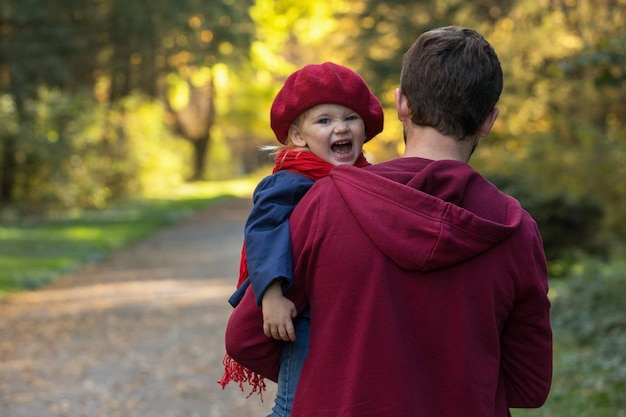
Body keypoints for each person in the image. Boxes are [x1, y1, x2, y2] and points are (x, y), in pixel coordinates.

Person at [225, 26, 553, 417]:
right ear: (488, 121)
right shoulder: (516, 230)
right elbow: (529, 385)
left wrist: (334, 378)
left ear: (401, 105)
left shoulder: (329, 202)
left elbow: (247, 337)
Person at [219, 62, 384, 416]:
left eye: (350, 118)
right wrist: (272, 294)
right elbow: (263, 234)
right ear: (298, 136)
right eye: (324, 121)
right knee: (296, 405)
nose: (340, 127)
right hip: (303, 314)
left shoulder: (370, 181)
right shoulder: (292, 181)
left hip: (345, 313)